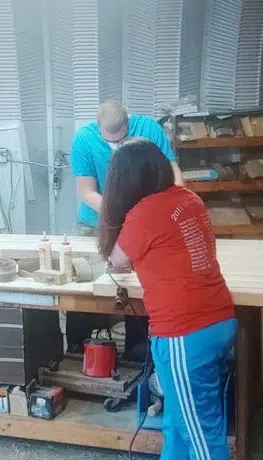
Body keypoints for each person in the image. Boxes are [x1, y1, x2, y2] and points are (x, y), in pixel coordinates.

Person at [98, 138, 236, 460]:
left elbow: (117, 260)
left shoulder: (144, 214)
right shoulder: (188, 199)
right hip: (218, 320)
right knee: (176, 420)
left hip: (184, 333)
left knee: (201, 433)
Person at [67, 101, 183, 356]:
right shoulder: (84, 139)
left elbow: (174, 176)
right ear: (98, 127)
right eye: (110, 142)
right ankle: (77, 349)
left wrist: (173, 208)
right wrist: (123, 214)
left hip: (144, 221)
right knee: (85, 284)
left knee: (138, 285)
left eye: (121, 140)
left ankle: (137, 351)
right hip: (97, 220)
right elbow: (87, 192)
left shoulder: (149, 130)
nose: (116, 146)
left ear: (129, 122)